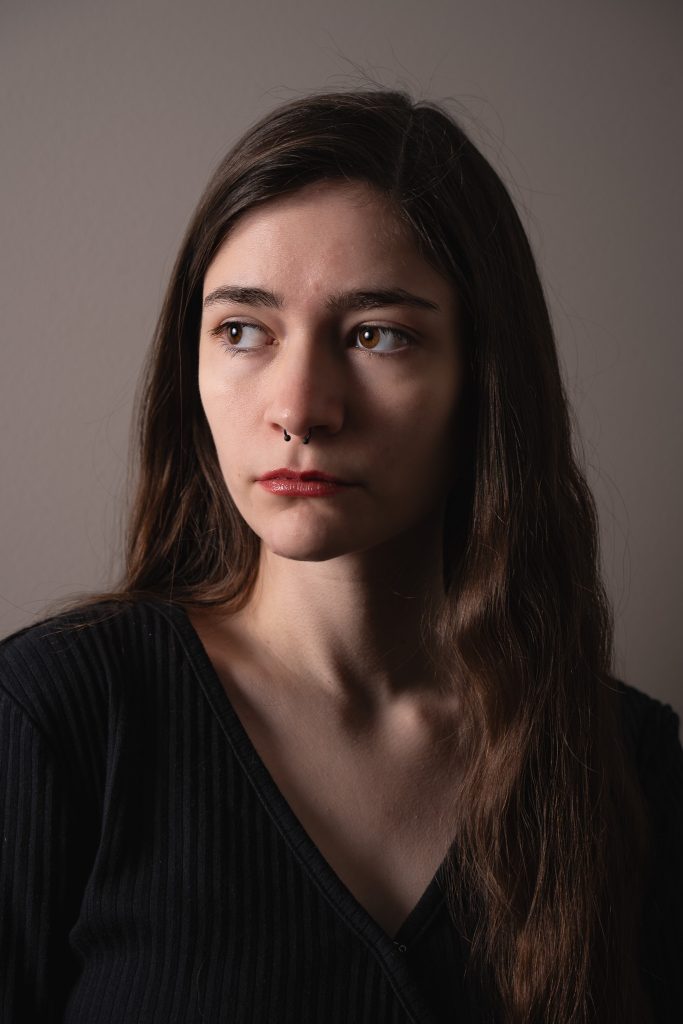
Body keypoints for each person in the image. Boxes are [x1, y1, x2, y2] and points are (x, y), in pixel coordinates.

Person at [0, 90, 681, 1024]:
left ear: (482, 380)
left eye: (376, 335)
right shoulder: (56, 716)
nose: (301, 406)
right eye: (243, 330)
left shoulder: (626, 766)